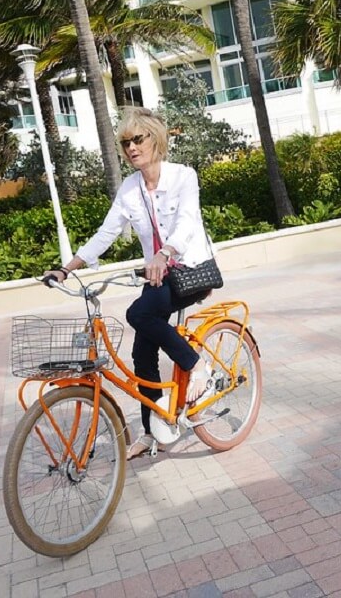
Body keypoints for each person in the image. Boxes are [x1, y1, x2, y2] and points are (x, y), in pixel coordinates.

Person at [43, 107, 215, 460]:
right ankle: (153, 432)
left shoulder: (184, 176)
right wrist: (67, 267)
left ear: (156, 140)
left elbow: (186, 223)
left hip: (191, 270)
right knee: (141, 353)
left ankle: (196, 364)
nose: (132, 147)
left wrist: (164, 253)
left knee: (138, 314)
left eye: (139, 139)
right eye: (126, 142)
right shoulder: (130, 188)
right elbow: (107, 232)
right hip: (160, 276)